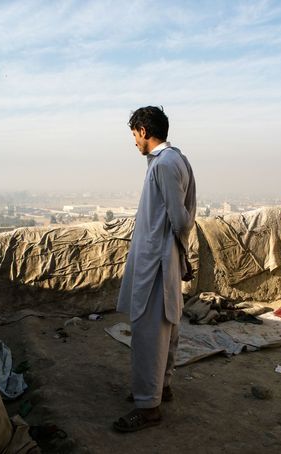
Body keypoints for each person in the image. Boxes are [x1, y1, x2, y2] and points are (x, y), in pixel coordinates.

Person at [113, 106, 197, 432]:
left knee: (149, 334)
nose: (134, 142)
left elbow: (179, 219)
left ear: (144, 131)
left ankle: (148, 408)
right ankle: (161, 388)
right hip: (166, 258)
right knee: (167, 326)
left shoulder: (164, 164)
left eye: (134, 135)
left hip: (158, 262)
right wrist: (183, 258)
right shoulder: (177, 160)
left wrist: (180, 256)